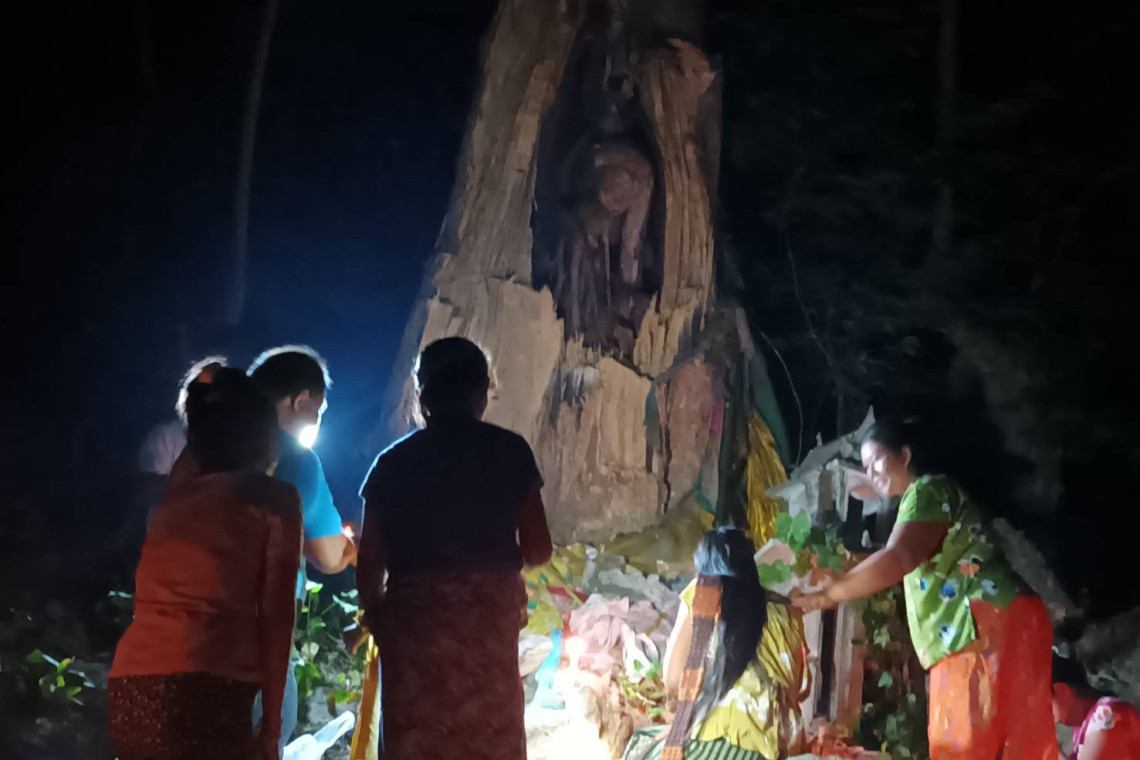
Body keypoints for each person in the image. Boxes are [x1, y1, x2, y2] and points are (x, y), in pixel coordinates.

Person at [793, 418, 1058, 760]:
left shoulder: (927, 491)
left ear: (905, 455)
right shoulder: (934, 496)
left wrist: (830, 594)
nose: (871, 474)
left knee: (960, 745)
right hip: (1013, 617)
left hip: (976, 625)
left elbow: (899, 557)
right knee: (1020, 746)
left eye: (877, 461)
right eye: (866, 468)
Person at [357, 336, 553, 760]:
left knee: (417, 740)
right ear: (482, 393)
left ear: (421, 394)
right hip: (487, 628)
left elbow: (368, 564)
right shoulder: (510, 451)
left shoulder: (392, 464)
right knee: (488, 739)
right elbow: (539, 550)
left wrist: (381, 621)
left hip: (414, 629)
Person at [107, 368, 302, 760]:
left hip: (131, 691)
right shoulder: (274, 500)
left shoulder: (172, 503)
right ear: (264, 437)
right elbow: (277, 619)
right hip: (208, 691)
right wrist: (272, 729)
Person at [247, 345, 356, 755]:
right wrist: (355, 549)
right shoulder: (295, 459)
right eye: (318, 412)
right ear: (301, 401)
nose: (316, 422)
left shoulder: (206, 449)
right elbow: (328, 557)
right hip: (257, 642)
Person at [624, 527, 809, 760]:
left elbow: (672, 680)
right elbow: (797, 688)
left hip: (707, 742)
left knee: (640, 745)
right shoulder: (786, 612)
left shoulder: (701, 595)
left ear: (701, 571)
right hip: (764, 749)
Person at [1053, 654, 1140, 759]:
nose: (1053, 719)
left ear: (1061, 690)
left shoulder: (1106, 713)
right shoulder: (1080, 730)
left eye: (1048, 707)